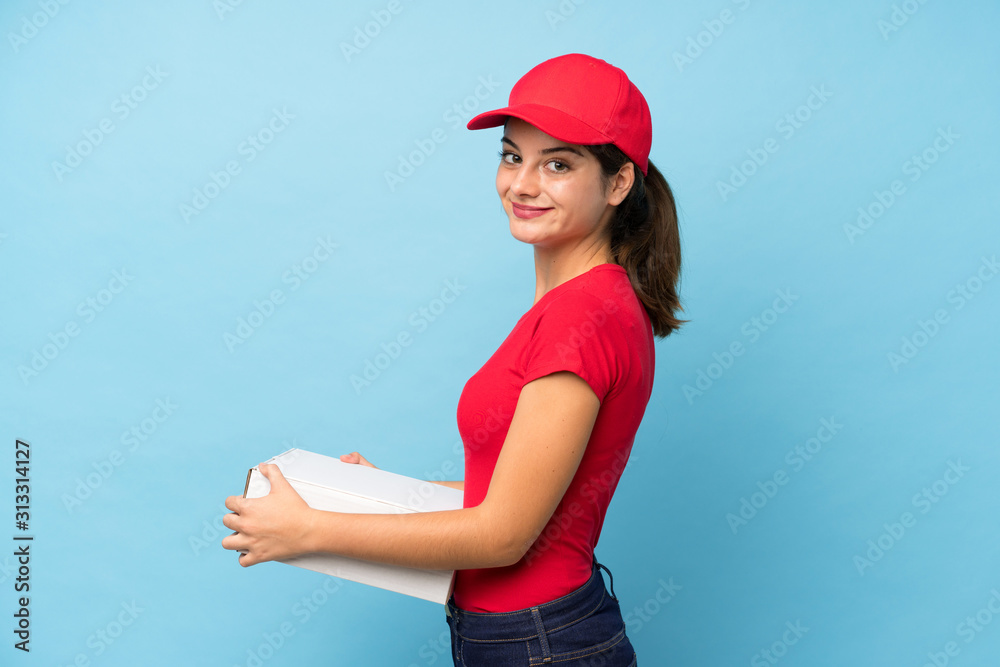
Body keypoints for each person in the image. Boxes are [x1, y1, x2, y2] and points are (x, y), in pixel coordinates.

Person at [221, 53, 686, 666]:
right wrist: (380, 493)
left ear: (620, 182)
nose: (522, 184)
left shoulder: (582, 317)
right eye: (513, 155)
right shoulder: (588, 304)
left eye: (558, 164)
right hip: (528, 635)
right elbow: (526, 491)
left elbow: (503, 535)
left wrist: (311, 531)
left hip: (539, 642)